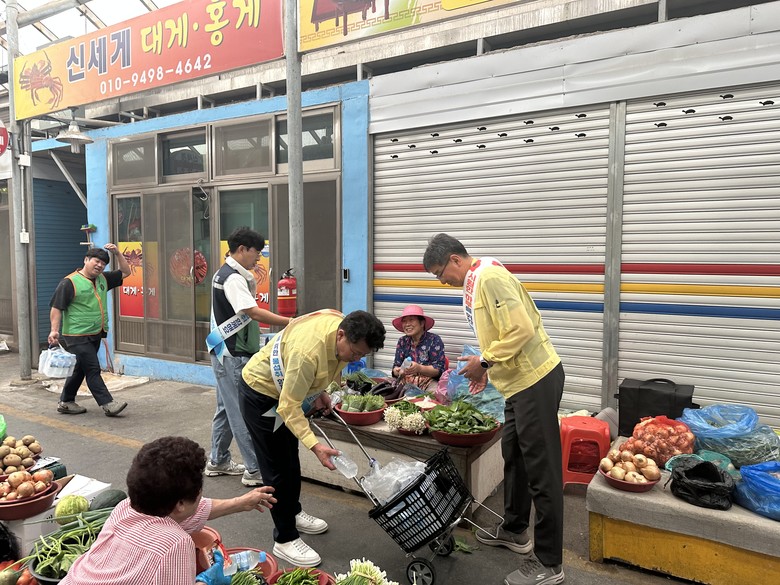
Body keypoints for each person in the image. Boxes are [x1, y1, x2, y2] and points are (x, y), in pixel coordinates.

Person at [423, 234, 566, 585]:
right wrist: (488, 368)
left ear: (455, 259)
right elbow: (499, 334)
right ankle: (514, 530)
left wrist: (485, 361)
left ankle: (549, 563)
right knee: (514, 456)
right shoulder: (475, 280)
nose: (442, 281)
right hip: (516, 385)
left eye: (441, 273)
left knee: (542, 471)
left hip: (534, 380)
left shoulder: (489, 277)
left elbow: (521, 328)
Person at [239, 309, 386, 567]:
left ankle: (292, 512)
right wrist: (316, 446)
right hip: (262, 393)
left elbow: (325, 369)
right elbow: (288, 407)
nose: (356, 358)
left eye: (363, 355)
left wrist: (320, 391)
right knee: (276, 468)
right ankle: (284, 538)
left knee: (290, 458)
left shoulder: (341, 328)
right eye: (355, 353)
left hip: (285, 391)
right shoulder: (307, 354)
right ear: (341, 335)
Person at [60, 436, 276, 585]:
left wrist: (241, 502)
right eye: (199, 490)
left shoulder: (124, 509)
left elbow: (192, 511)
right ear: (180, 504)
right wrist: (206, 581)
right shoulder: (174, 543)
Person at [205, 227, 290, 487]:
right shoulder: (232, 278)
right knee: (241, 411)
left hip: (224, 351)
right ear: (242, 249)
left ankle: (218, 460)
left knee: (226, 408)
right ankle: (254, 468)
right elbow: (251, 312)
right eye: (257, 252)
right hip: (232, 354)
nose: (259, 258)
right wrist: (290, 322)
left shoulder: (226, 273)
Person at [49, 244, 131, 417]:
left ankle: (66, 402)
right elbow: (56, 307)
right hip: (76, 335)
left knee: (80, 368)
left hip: (95, 333)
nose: (100, 265)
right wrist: (54, 330)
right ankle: (108, 404)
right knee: (93, 369)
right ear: (86, 260)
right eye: (96, 261)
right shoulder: (69, 282)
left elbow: (126, 272)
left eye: (103, 263)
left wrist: (117, 253)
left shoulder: (103, 279)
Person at [390, 304, 446, 391]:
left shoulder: (434, 340)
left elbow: (439, 370)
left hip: (428, 383)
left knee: (435, 394)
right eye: (404, 321)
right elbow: (396, 366)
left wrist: (419, 368)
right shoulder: (402, 341)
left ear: (422, 323)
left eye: (411, 320)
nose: (407, 324)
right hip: (405, 382)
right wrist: (398, 371)